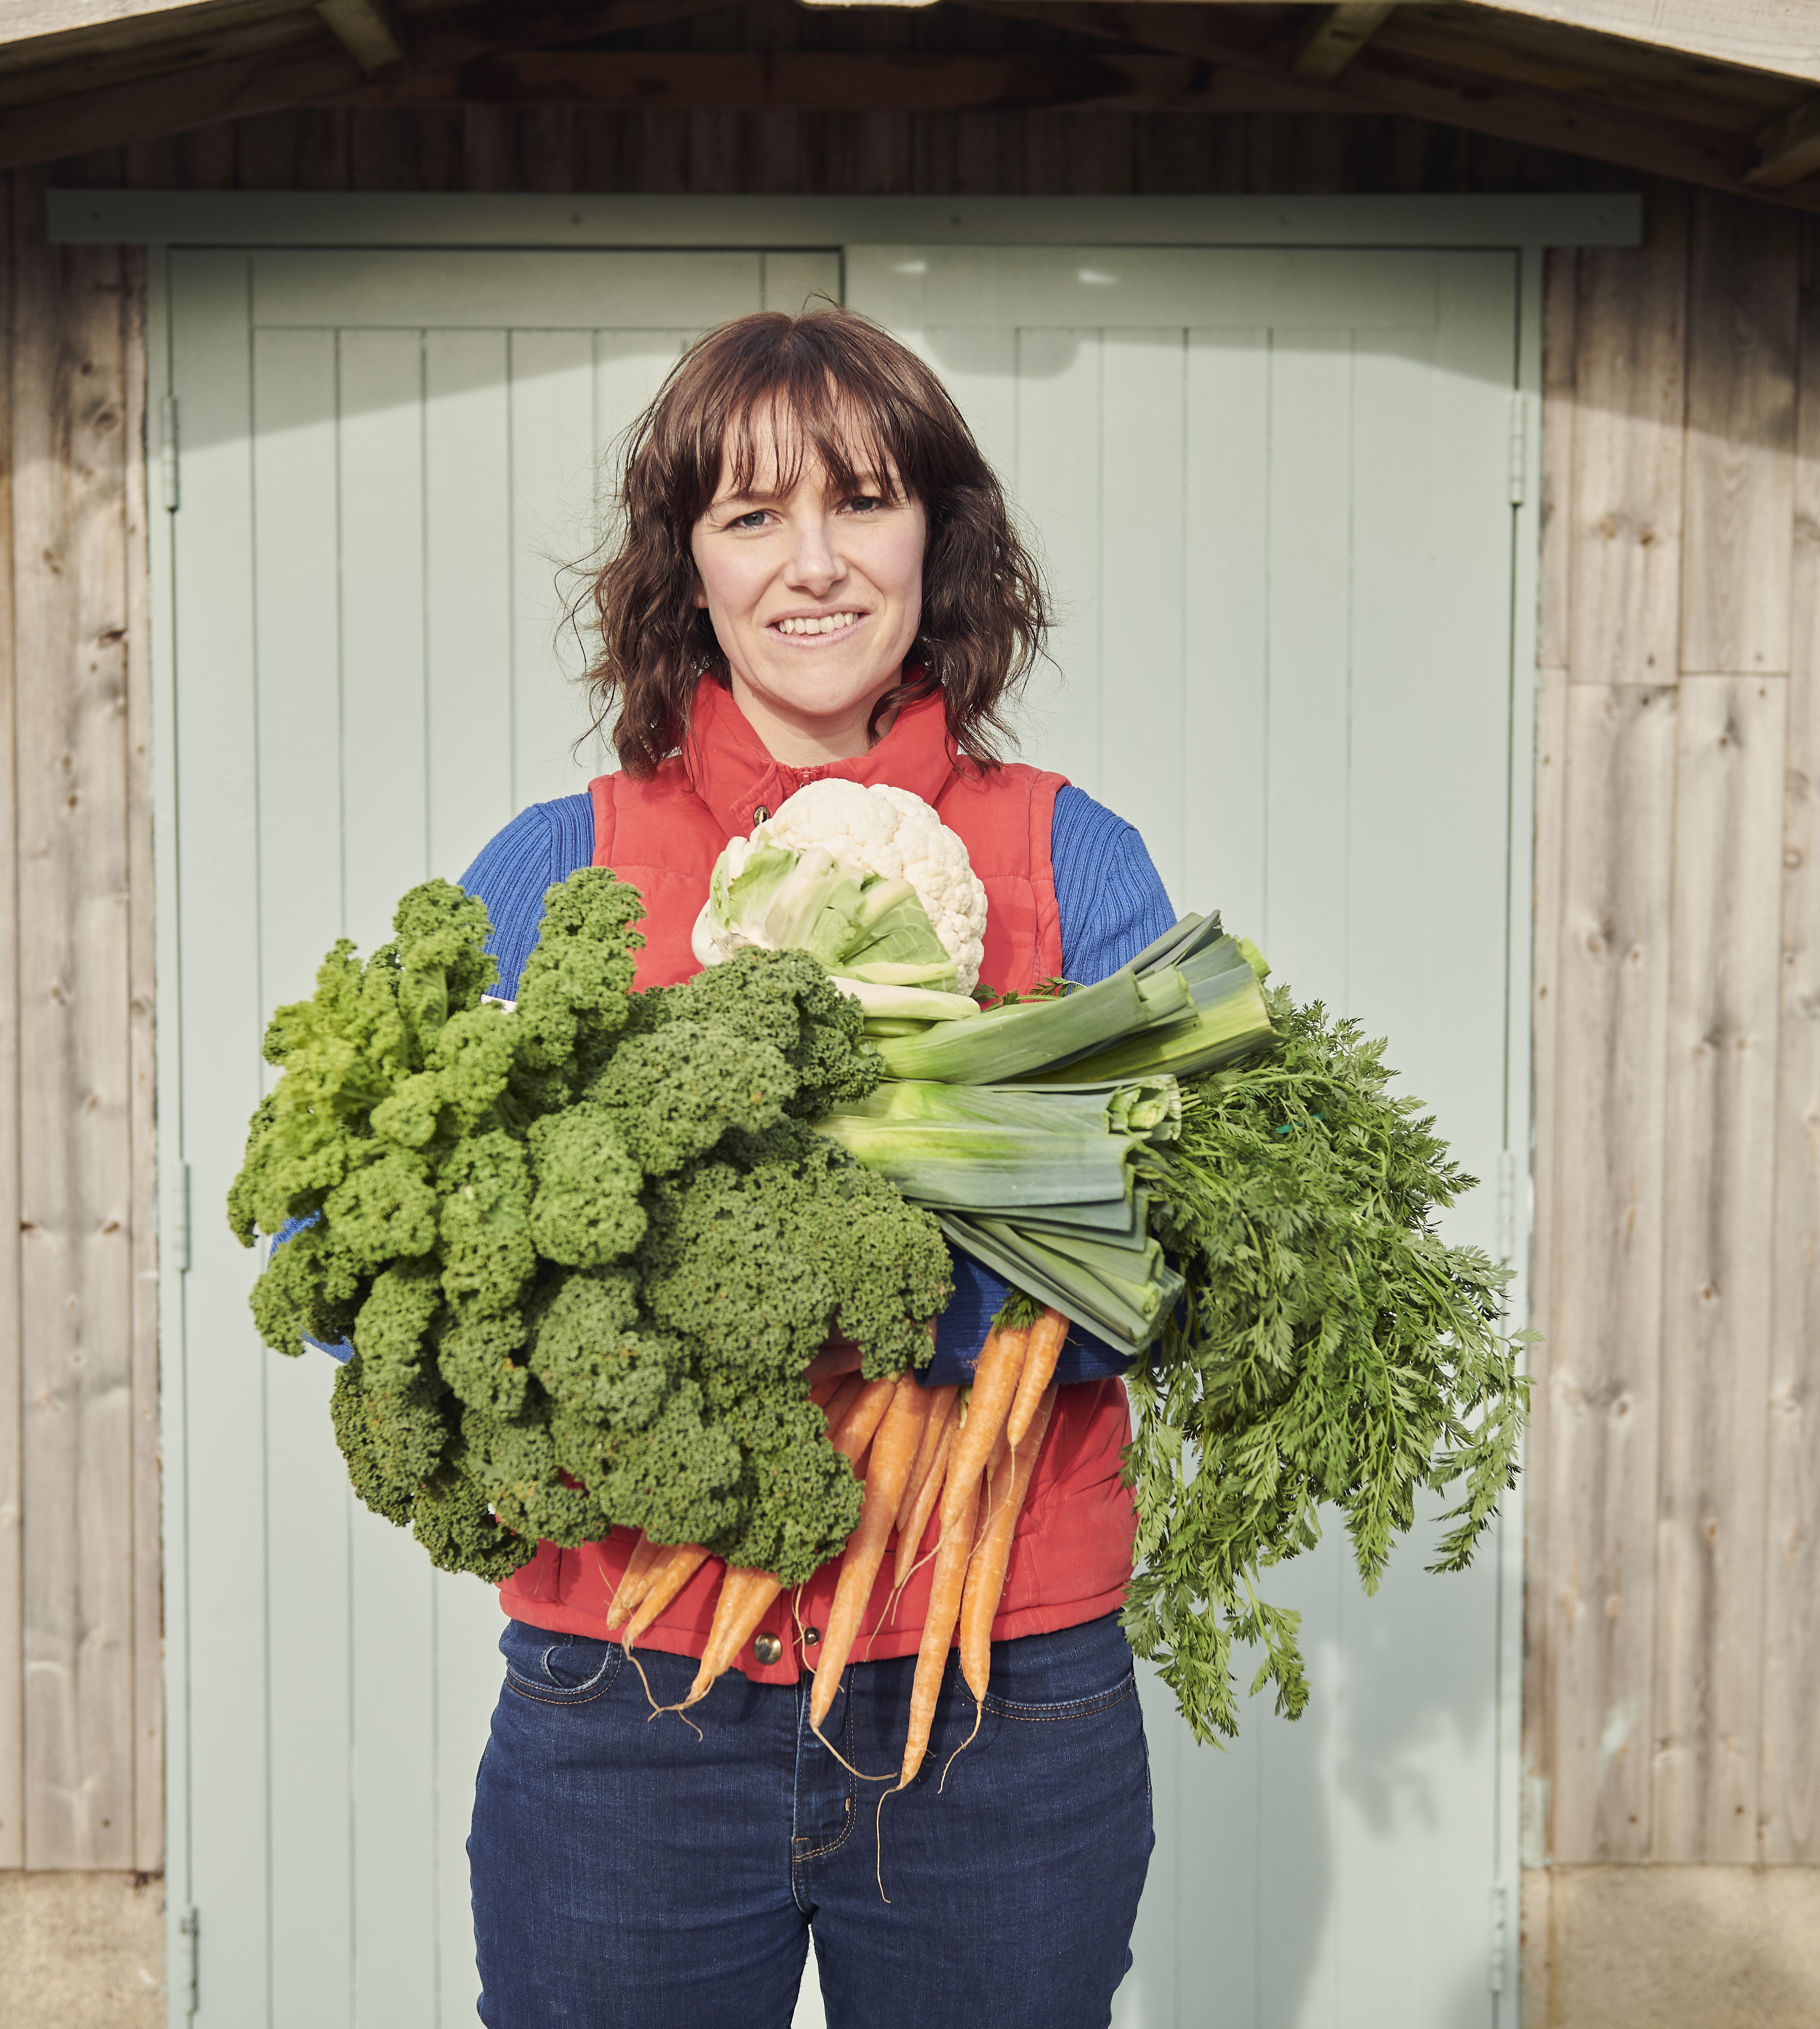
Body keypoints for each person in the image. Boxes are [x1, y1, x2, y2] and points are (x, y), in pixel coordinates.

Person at [455, 306, 1174, 2029]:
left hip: (1000, 1697)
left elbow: (1181, 1247)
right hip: (627, 1701)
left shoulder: (1072, 862)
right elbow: (399, 1265)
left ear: (939, 537)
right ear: (683, 569)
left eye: (861, 502)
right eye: (752, 516)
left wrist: (897, 1299)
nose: (815, 565)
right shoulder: (560, 870)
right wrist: (617, 1339)